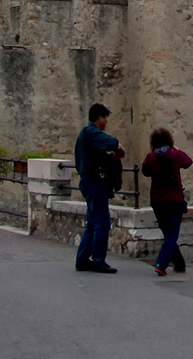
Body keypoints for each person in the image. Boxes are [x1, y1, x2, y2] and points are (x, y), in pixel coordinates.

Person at [74, 102, 124, 273]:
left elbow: (98, 157)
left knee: (92, 222)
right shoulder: (91, 133)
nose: (106, 121)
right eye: (105, 118)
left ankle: (82, 258)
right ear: (99, 117)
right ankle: (98, 259)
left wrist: (112, 160)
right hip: (94, 182)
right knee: (102, 222)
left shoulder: (85, 134)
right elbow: (109, 142)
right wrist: (118, 145)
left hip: (89, 180)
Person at [141, 127, 192, 276]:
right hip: (175, 200)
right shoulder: (175, 155)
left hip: (158, 201)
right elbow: (188, 162)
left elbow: (145, 172)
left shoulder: (150, 157)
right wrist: (177, 150)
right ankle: (161, 264)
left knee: (167, 232)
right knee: (172, 234)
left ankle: (179, 264)